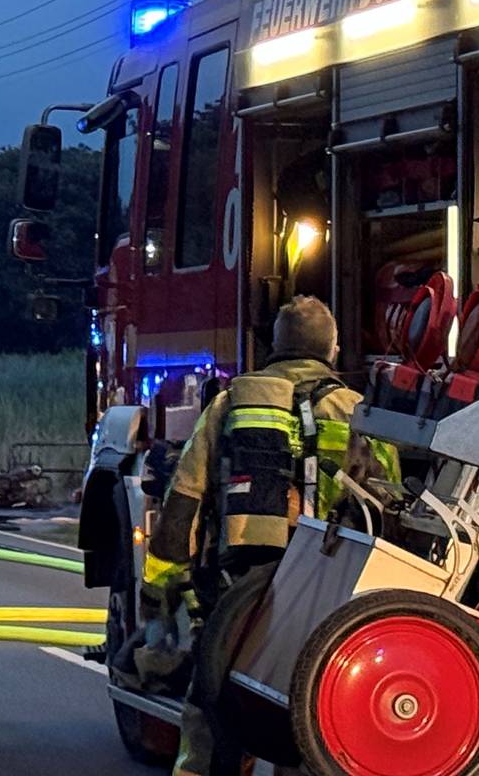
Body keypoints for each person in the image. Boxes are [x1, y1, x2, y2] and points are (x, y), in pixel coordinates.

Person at [151, 296, 378, 776]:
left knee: (212, 704)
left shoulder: (230, 401)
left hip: (240, 590)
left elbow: (185, 498)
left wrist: (166, 584)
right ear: (332, 350)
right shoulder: (359, 410)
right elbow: (383, 501)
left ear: (273, 347)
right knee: (319, 708)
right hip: (328, 587)